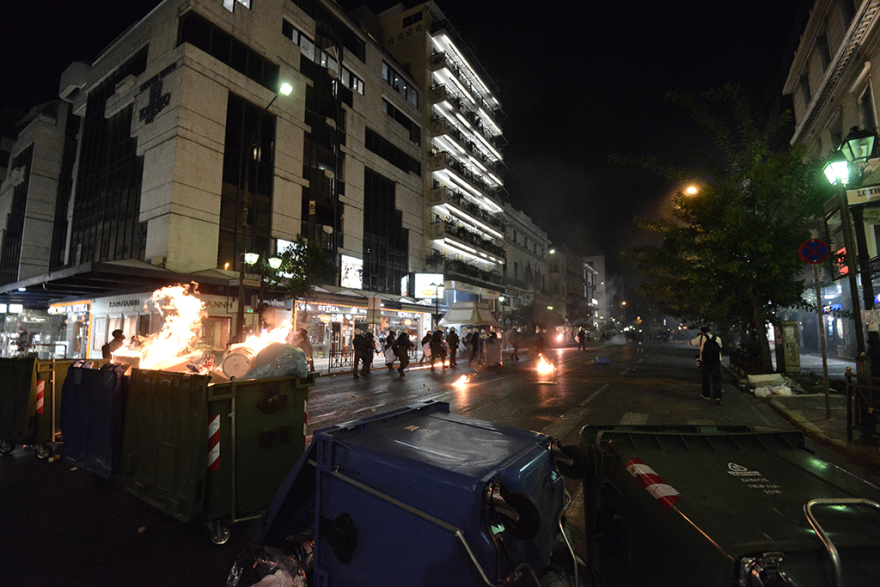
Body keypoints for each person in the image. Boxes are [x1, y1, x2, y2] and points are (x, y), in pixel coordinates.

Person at [689, 326, 723, 404]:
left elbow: (691, 342)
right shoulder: (717, 338)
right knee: (717, 380)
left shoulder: (701, 338)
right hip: (716, 361)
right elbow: (720, 347)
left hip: (705, 361)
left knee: (705, 379)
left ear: (702, 332)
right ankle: (717, 397)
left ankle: (706, 394)